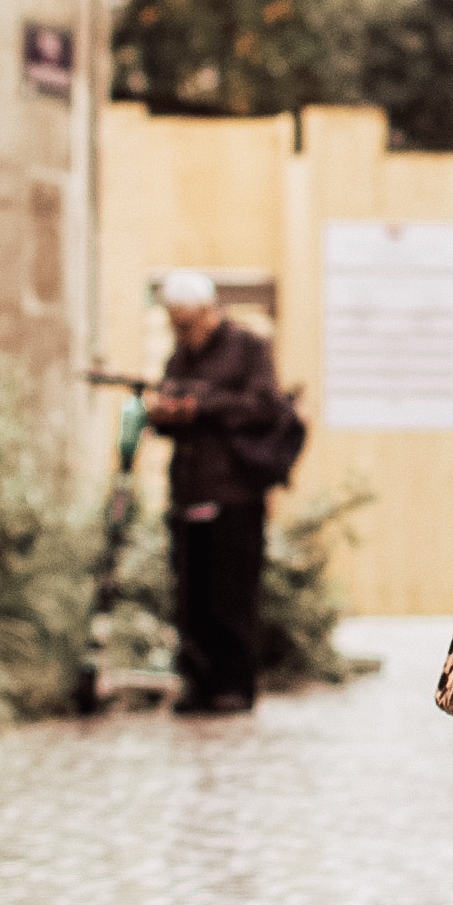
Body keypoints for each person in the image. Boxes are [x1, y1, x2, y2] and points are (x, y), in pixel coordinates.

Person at [144, 269, 292, 715]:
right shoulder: (180, 357)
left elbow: (266, 406)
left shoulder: (248, 348)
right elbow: (168, 413)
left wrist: (200, 406)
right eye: (174, 322)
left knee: (231, 594)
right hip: (188, 490)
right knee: (192, 596)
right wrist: (165, 414)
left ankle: (234, 685)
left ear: (210, 312)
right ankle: (199, 682)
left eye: (187, 322)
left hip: (235, 495)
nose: (180, 330)